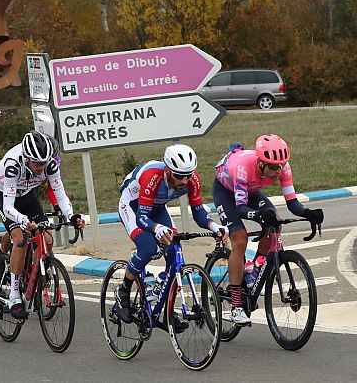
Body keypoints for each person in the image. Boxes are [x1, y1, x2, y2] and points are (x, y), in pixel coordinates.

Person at [212, 134, 324, 326]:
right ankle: (236, 306)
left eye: (280, 166)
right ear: (261, 163)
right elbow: (240, 208)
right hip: (226, 193)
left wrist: (308, 213)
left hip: (251, 191)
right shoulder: (242, 167)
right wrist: (258, 216)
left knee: (276, 222)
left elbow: (292, 203)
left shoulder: (283, 167)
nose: (277, 171)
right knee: (239, 239)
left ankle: (255, 268)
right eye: (272, 166)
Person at [114, 144, 227, 325]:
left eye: (188, 175)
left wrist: (214, 226)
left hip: (157, 207)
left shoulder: (192, 179)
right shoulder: (153, 176)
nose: (184, 181)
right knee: (148, 247)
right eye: (179, 176)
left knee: (174, 249)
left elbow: (198, 212)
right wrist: (156, 228)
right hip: (133, 207)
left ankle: (165, 304)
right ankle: (123, 292)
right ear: (167, 170)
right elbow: (142, 218)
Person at [0, 131, 85, 319]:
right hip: (5, 197)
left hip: (27, 196)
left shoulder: (49, 164)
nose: (41, 168)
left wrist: (71, 215)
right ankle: (15, 295)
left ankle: (35, 271)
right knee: (21, 239)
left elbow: (60, 192)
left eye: (44, 163)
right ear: (26, 158)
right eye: (37, 164)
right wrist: (22, 220)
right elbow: (9, 206)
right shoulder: (12, 165)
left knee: (47, 239)